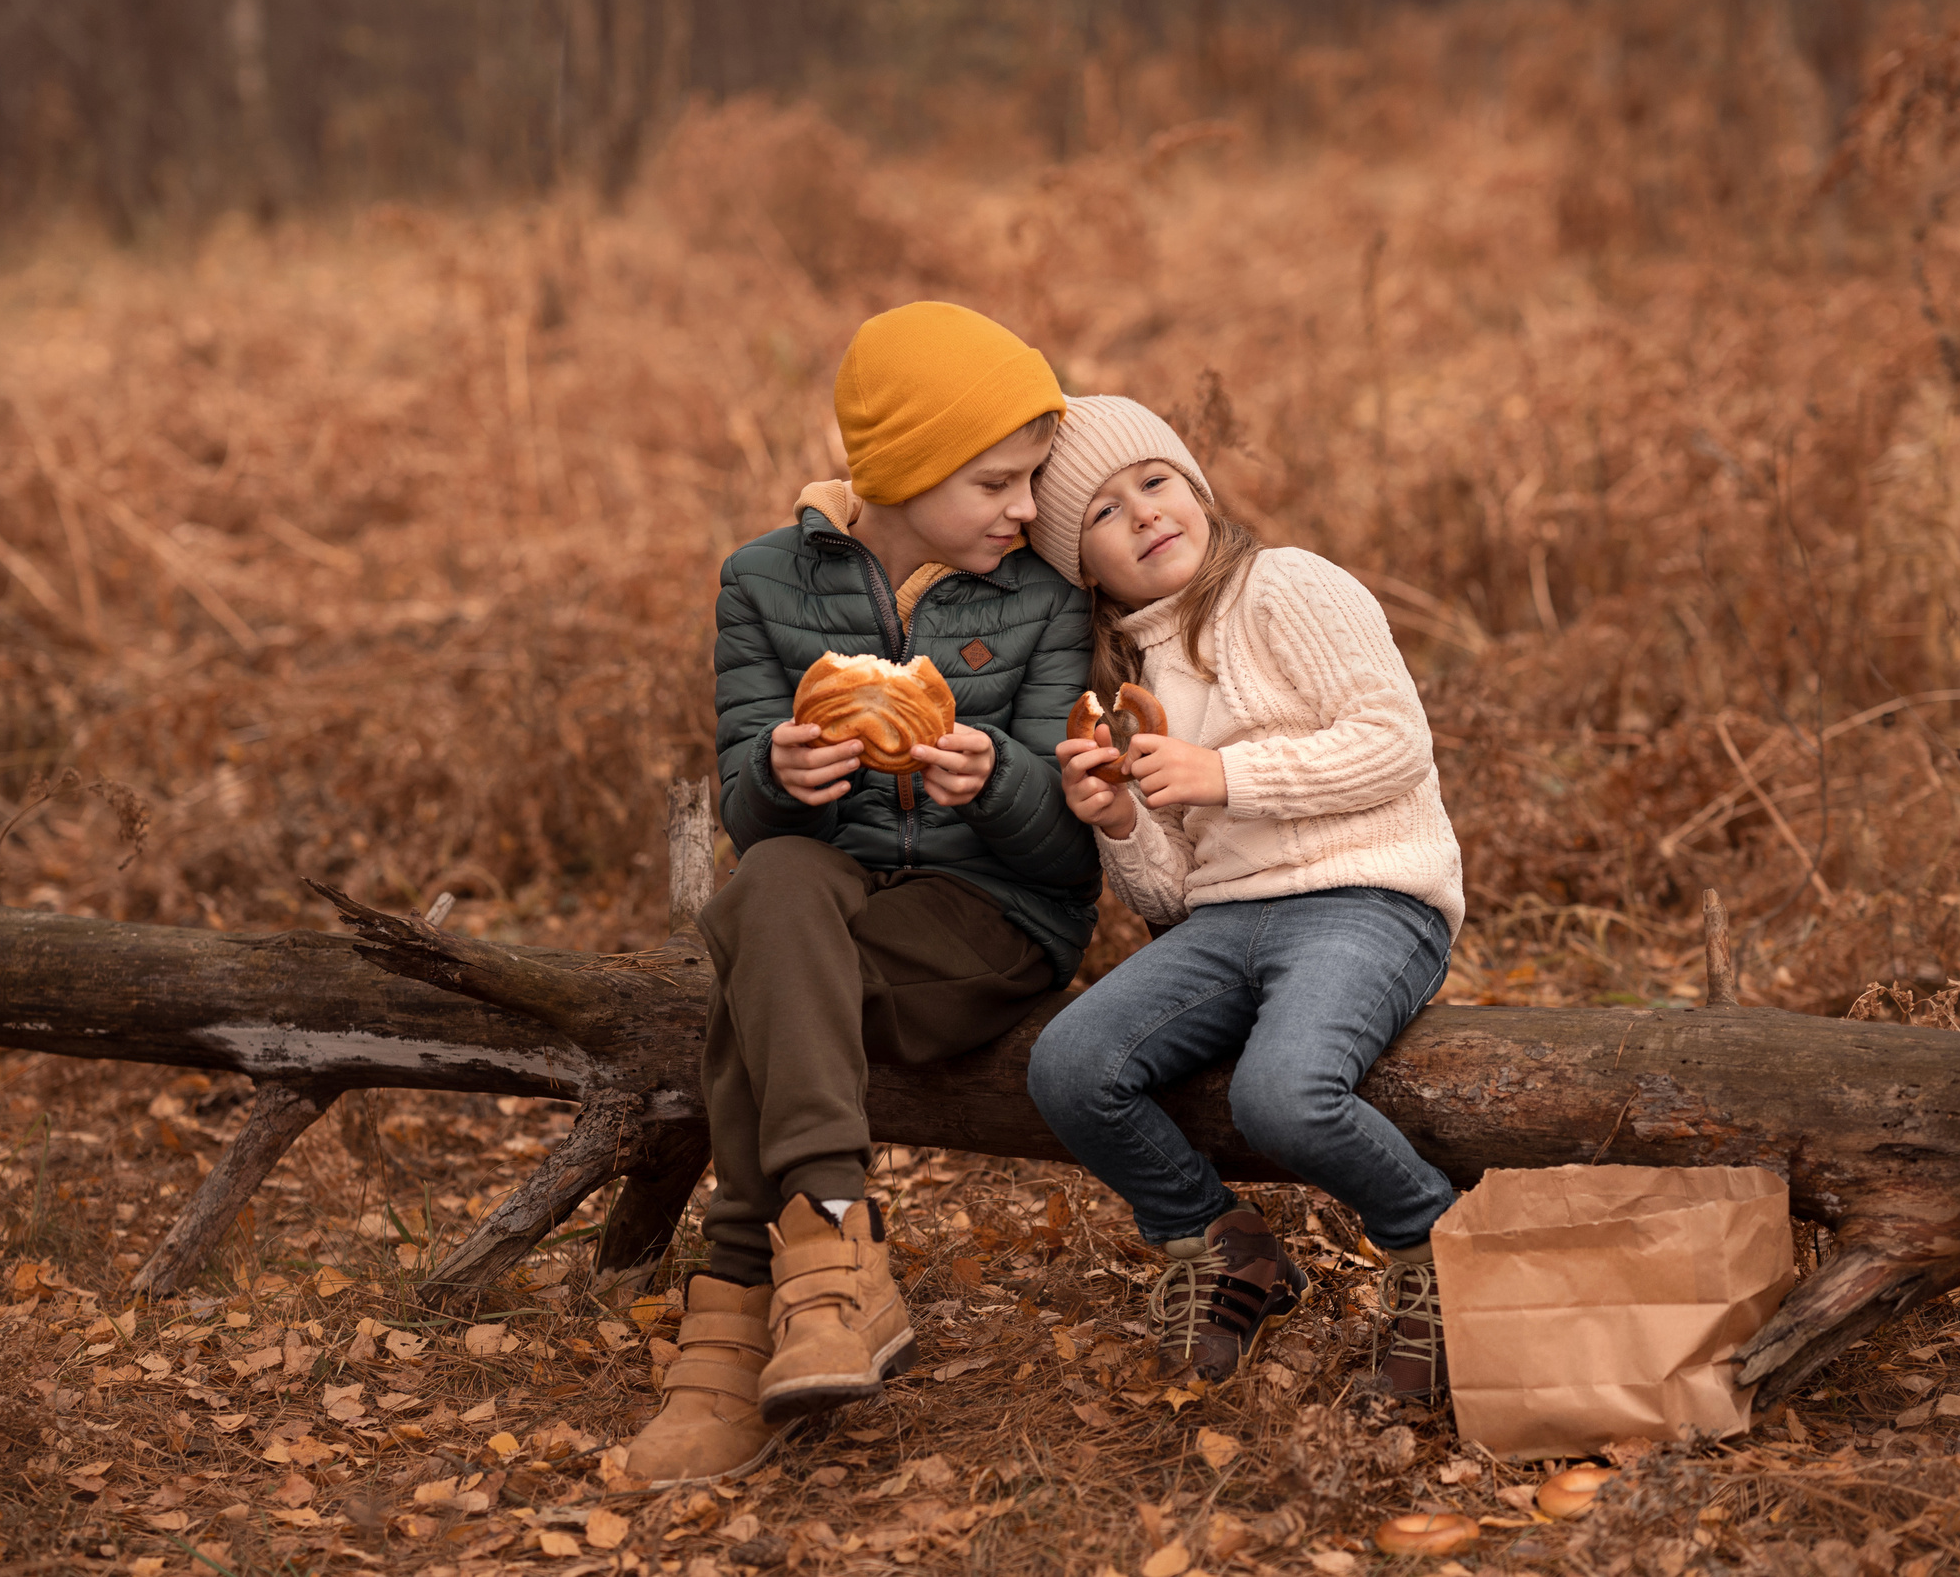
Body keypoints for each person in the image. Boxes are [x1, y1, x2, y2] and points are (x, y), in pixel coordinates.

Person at [624, 302, 1101, 1484]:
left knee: (755, 975)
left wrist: (998, 784)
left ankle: (736, 1299)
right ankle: (836, 1254)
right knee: (775, 884)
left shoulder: (1041, 597)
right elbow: (747, 814)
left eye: (1034, 480)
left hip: (986, 922)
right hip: (824, 906)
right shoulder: (759, 583)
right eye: (997, 482)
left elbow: (1063, 858)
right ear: (903, 470)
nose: (1027, 509)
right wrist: (781, 776)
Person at [1022, 395, 1465, 1405]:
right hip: (1226, 922)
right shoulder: (1123, 676)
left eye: (1154, 481)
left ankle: (1433, 1247)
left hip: (1367, 895)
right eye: (1100, 513)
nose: (1141, 513)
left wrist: (1228, 777)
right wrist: (1120, 822)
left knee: (1281, 1094)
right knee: (1072, 1064)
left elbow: (1395, 742)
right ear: (1080, 567)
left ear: (1195, 489)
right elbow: (1175, 899)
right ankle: (1225, 1244)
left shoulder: (1286, 587)